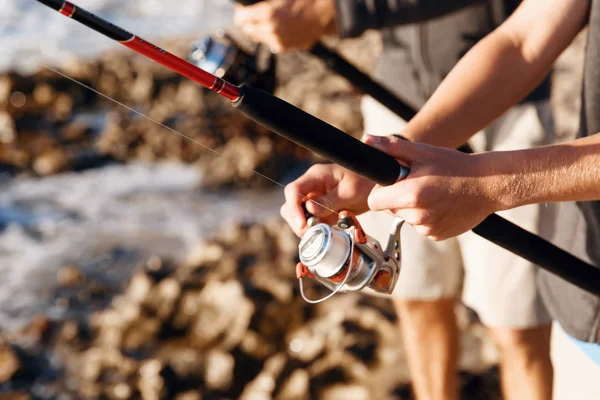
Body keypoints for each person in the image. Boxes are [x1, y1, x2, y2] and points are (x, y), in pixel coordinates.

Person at [236, 1, 555, 399]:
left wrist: (336, 11)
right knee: (417, 299)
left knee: (518, 324)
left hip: (510, 106)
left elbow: (525, 39)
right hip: (394, 113)